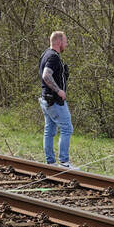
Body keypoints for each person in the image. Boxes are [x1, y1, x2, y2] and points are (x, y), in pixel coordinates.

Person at [39, 30, 76, 168]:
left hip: (45, 99)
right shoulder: (53, 57)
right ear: (59, 42)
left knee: (49, 130)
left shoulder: (45, 54)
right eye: (65, 41)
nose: (66, 44)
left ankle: (50, 162)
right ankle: (64, 162)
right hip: (54, 101)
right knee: (67, 128)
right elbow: (46, 75)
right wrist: (59, 90)